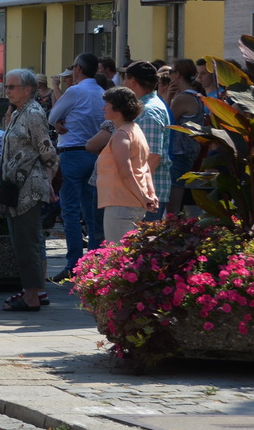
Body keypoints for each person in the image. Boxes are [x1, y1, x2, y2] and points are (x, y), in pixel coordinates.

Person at [0, 68, 58, 312]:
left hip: (28, 189)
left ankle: (33, 295)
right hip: (16, 188)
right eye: (7, 86)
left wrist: (49, 178)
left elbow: (47, 150)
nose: (7, 91)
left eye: (12, 87)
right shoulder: (17, 112)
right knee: (22, 242)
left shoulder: (33, 113)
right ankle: (33, 290)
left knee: (27, 242)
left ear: (28, 89)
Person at [48, 52, 106, 281]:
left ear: (79, 69)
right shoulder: (102, 92)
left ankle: (73, 264)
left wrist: (60, 122)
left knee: (70, 211)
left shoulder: (75, 90)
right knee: (91, 212)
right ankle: (93, 262)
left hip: (72, 153)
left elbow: (53, 115)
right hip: (94, 154)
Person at [96, 87, 156, 244]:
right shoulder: (135, 130)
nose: (103, 107)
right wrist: (149, 194)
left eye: (107, 104)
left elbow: (126, 172)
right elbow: (145, 167)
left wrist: (145, 197)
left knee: (118, 257)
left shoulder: (121, 135)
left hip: (120, 203)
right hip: (134, 202)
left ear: (118, 108)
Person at [118, 62, 169, 220]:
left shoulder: (149, 111)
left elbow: (153, 156)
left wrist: (138, 191)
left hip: (145, 194)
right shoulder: (146, 107)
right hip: (144, 192)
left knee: (141, 243)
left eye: (125, 80)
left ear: (133, 82)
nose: (123, 84)